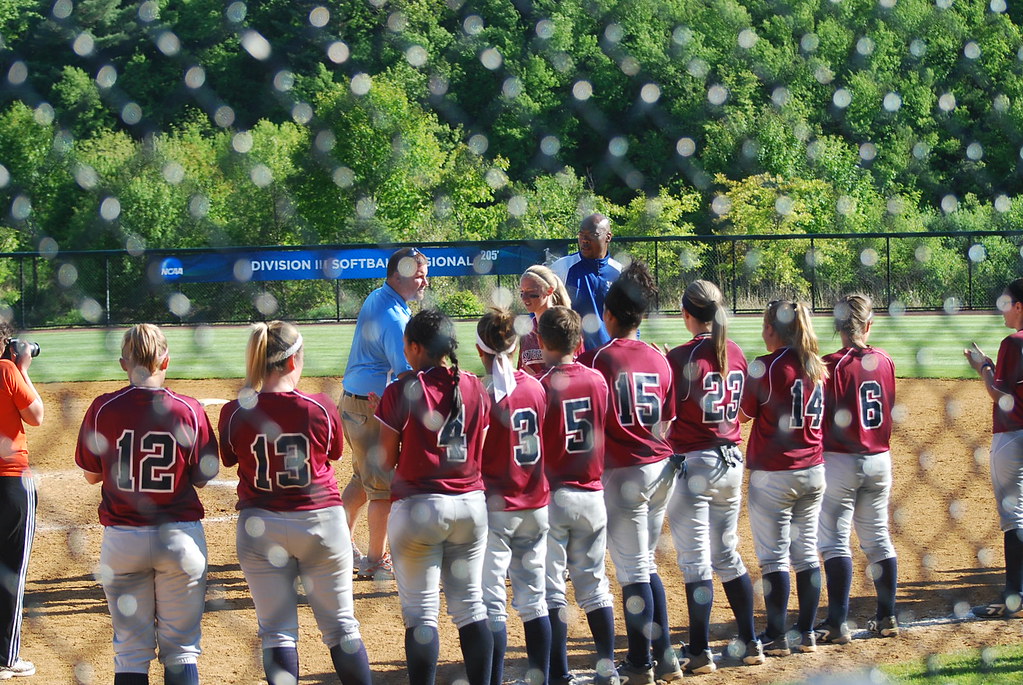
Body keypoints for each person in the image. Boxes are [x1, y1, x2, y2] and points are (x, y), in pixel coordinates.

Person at [219, 321, 372, 685]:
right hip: (321, 523)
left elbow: (228, 457)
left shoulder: (236, 411)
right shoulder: (319, 406)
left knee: (276, 632)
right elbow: (334, 453)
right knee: (341, 627)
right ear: (291, 362)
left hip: (261, 526)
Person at [75, 324, 216, 685]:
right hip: (180, 537)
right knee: (181, 649)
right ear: (166, 361)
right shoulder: (188, 409)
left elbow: (91, 475)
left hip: (123, 539)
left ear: (124, 363)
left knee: (131, 651)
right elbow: (202, 477)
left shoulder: (103, 408)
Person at [375, 309, 493, 685]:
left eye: (406, 346)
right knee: (471, 608)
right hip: (471, 506)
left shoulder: (402, 390)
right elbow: (479, 453)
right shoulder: (475, 386)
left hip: (418, 508)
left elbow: (384, 461)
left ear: (416, 347)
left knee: (421, 615)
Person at [577, 262, 681, 685]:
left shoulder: (599, 359)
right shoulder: (660, 358)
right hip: (661, 468)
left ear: (609, 314)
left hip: (624, 473)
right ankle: (666, 655)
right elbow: (666, 423)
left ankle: (640, 665)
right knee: (645, 563)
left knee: (634, 570)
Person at [665, 280, 764, 673]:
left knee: (695, 562)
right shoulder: (735, 351)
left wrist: (664, 362)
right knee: (726, 554)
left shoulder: (680, 356)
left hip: (696, 464)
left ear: (686, 314)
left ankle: (699, 651)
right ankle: (750, 641)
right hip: (731, 461)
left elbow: (666, 416)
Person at [739, 299, 827, 657]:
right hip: (813, 470)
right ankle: (806, 632)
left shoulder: (766, 366)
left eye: (765, 327)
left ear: (773, 330)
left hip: (774, 473)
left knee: (774, 557)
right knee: (805, 553)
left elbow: (743, 415)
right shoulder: (817, 366)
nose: (763, 333)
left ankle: (776, 634)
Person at [536, 306, 619, 685]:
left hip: (553, 497)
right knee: (594, 584)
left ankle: (560, 675)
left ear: (541, 341)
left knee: (552, 589)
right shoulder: (598, 380)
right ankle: (608, 668)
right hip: (592, 493)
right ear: (579, 340)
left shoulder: (541, 386)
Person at [341, 247, 429, 580]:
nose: (425, 282)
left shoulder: (378, 296)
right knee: (383, 490)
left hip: (355, 402)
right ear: (398, 276)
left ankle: (339, 541)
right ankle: (375, 560)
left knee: (363, 479)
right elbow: (407, 372)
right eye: (419, 276)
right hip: (372, 406)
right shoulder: (394, 318)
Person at [816, 294, 900, 643]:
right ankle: (887, 616)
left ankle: (837, 622)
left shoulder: (829, 365)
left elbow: (818, 417)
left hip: (840, 459)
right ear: (869, 324)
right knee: (878, 537)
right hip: (880, 458)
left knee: (834, 540)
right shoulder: (885, 361)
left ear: (837, 326)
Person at [477, 308, 552, 685]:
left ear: (481, 351)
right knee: (534, 599)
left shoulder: (480, 393)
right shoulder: (536, 387)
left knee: (491, 602)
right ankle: (543, 676)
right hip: (536, 503)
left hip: (495, 506)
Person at [965, 277, 1023, 619]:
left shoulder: (1013, 342)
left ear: (1019, 306)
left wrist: (984, 367)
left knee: (1014, 516)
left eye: (1005, 303)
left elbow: (999, 395)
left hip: (1013, 434)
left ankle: (1014, 596)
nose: (1002, 309)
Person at [0, 328, 42, 682]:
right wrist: (22, 368)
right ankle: (5, 658)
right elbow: (36, 415)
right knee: (11, 570)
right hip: (11, 480)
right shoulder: (6, 370)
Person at [550, 213, 623, 352]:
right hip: (574, 354)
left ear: (608, 237)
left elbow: (629, 319)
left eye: (592, 235)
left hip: (611, 354)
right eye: (581, 234)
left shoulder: (620, 272)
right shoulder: (562, 267)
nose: (584, 240)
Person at [518, 265, 574, 377]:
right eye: (522, 292)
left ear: (549, 290)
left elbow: (576, 370)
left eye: (530, 292)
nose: (524, 298)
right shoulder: (527, 330)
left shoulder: (565, 326)